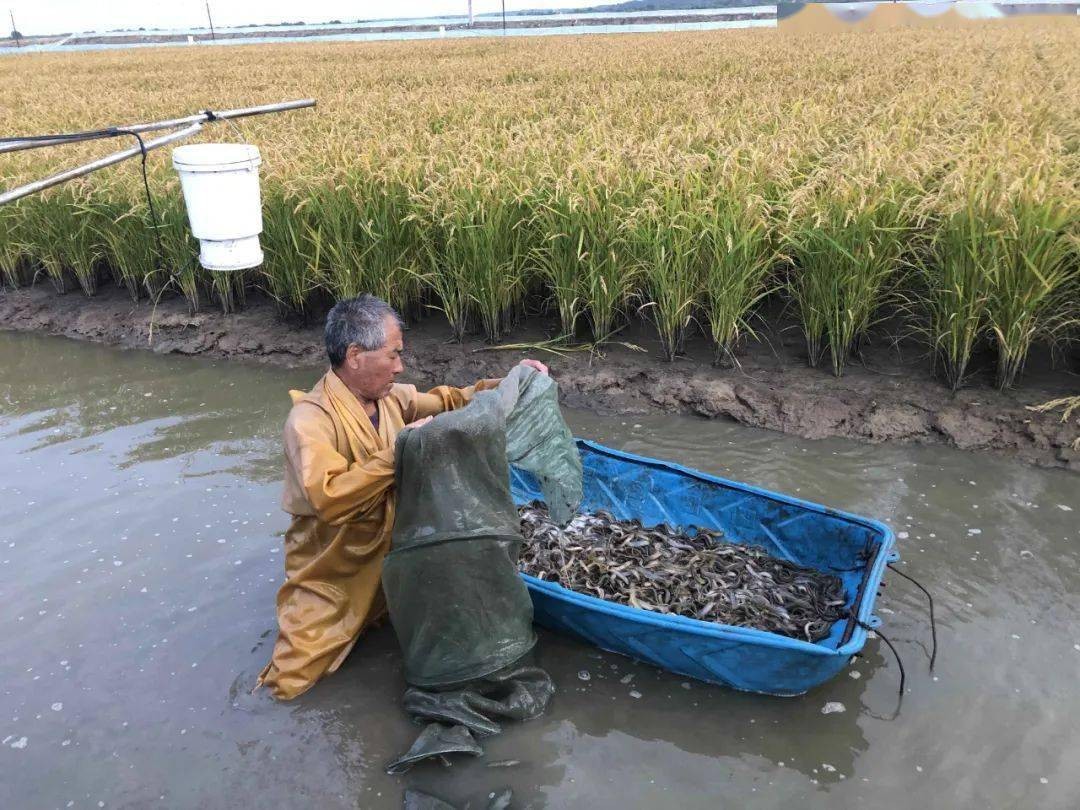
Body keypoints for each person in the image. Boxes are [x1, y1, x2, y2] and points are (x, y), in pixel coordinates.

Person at [256, 294, 548, 700]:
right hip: (334, 575)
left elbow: (451, 400)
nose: (400, 366)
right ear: (355, 355)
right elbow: (329, 498)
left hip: (396, 562)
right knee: (288, 683)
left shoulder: (391, 397)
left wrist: (510, 381)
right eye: (393, 355)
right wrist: (399, 450)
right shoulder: (310, 420)